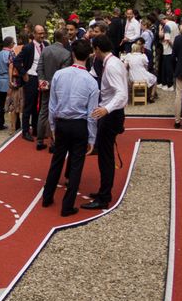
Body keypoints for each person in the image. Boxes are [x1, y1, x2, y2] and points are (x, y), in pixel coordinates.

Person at [41, 37, 99, 217]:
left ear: (72, 54)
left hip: (62, 122)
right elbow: (92, 114)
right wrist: (92, 138)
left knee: (57, 161)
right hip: (79, 125)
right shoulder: (91, 81)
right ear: (89, 56)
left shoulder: (59, 75)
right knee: (76, 165)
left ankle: (47, 197)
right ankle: (67, 206)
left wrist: (52, 126)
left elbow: (52, 105)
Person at [84, 35, 127, 210]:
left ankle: (104, 196)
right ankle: (103, 191)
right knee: (104, 154)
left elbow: (122, 93)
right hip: (111, 112)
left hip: (111, 115)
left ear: (97, 49)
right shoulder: (112, 62)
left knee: (105, 156)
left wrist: (106, 109)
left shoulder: (111, 66)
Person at [35, 29, 72, 150]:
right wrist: (50, 84)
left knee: (43, 112)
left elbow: (39, 68)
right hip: (58, 88)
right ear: (64, 38)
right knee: (56, 114)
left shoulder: (45, 50)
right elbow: (63, 74)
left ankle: (39, 141)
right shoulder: (66, 54)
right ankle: (53, 142)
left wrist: (42, 82)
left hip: (45, 86)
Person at [17, 24, 47, 141]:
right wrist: (24, 73)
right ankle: (25, 131)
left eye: (43, 33)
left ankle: (35, 128)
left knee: (38, 106)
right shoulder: (28, 47)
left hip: (42, 78)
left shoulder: (46, 45)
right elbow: (16, 61)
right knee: (29, 106)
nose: (42, 35)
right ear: (34, 34)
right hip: (31, 78)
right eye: (39, 33)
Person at [0, 37, 14, 130]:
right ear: (10, 44)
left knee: (1, 102)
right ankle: (14, 124)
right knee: (12, 102)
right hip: (8, 80)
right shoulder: (10, 54)